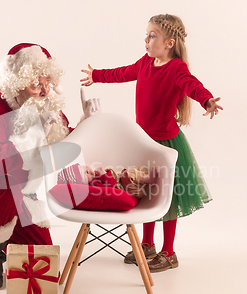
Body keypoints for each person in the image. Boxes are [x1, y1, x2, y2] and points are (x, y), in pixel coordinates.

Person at [0, 43, 99, 289]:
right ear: (18, 84)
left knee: (41, 263)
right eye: (35, 84)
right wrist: (35, 136)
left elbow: (62, 144)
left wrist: (87, 125)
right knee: (7, 182)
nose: (44, 91)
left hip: (28, 187)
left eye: (47, 82)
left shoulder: (47, 108)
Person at [80, 14, 223, 272]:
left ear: (169, 43)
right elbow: (123, 73)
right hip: (144, 142)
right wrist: (97, 75)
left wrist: (207, 100)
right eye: (146, 34)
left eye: (152, 35)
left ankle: (169, 253)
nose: (146, 40)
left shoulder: (176, 68)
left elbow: (192, 85)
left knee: (168, 197)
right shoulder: (145, 63)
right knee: (146, 192)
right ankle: (147, 244)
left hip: (166, 144)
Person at [57, 163, 158, 199]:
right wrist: (103, 173)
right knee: (129, 173)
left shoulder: (95, 178)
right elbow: (111, 185)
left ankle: (146, 178)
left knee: (135, 170)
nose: (87, 170)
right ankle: (149, 179)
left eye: (83, 168)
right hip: (131, 189)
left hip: (136, 185)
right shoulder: (94, 184)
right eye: (84, 174)